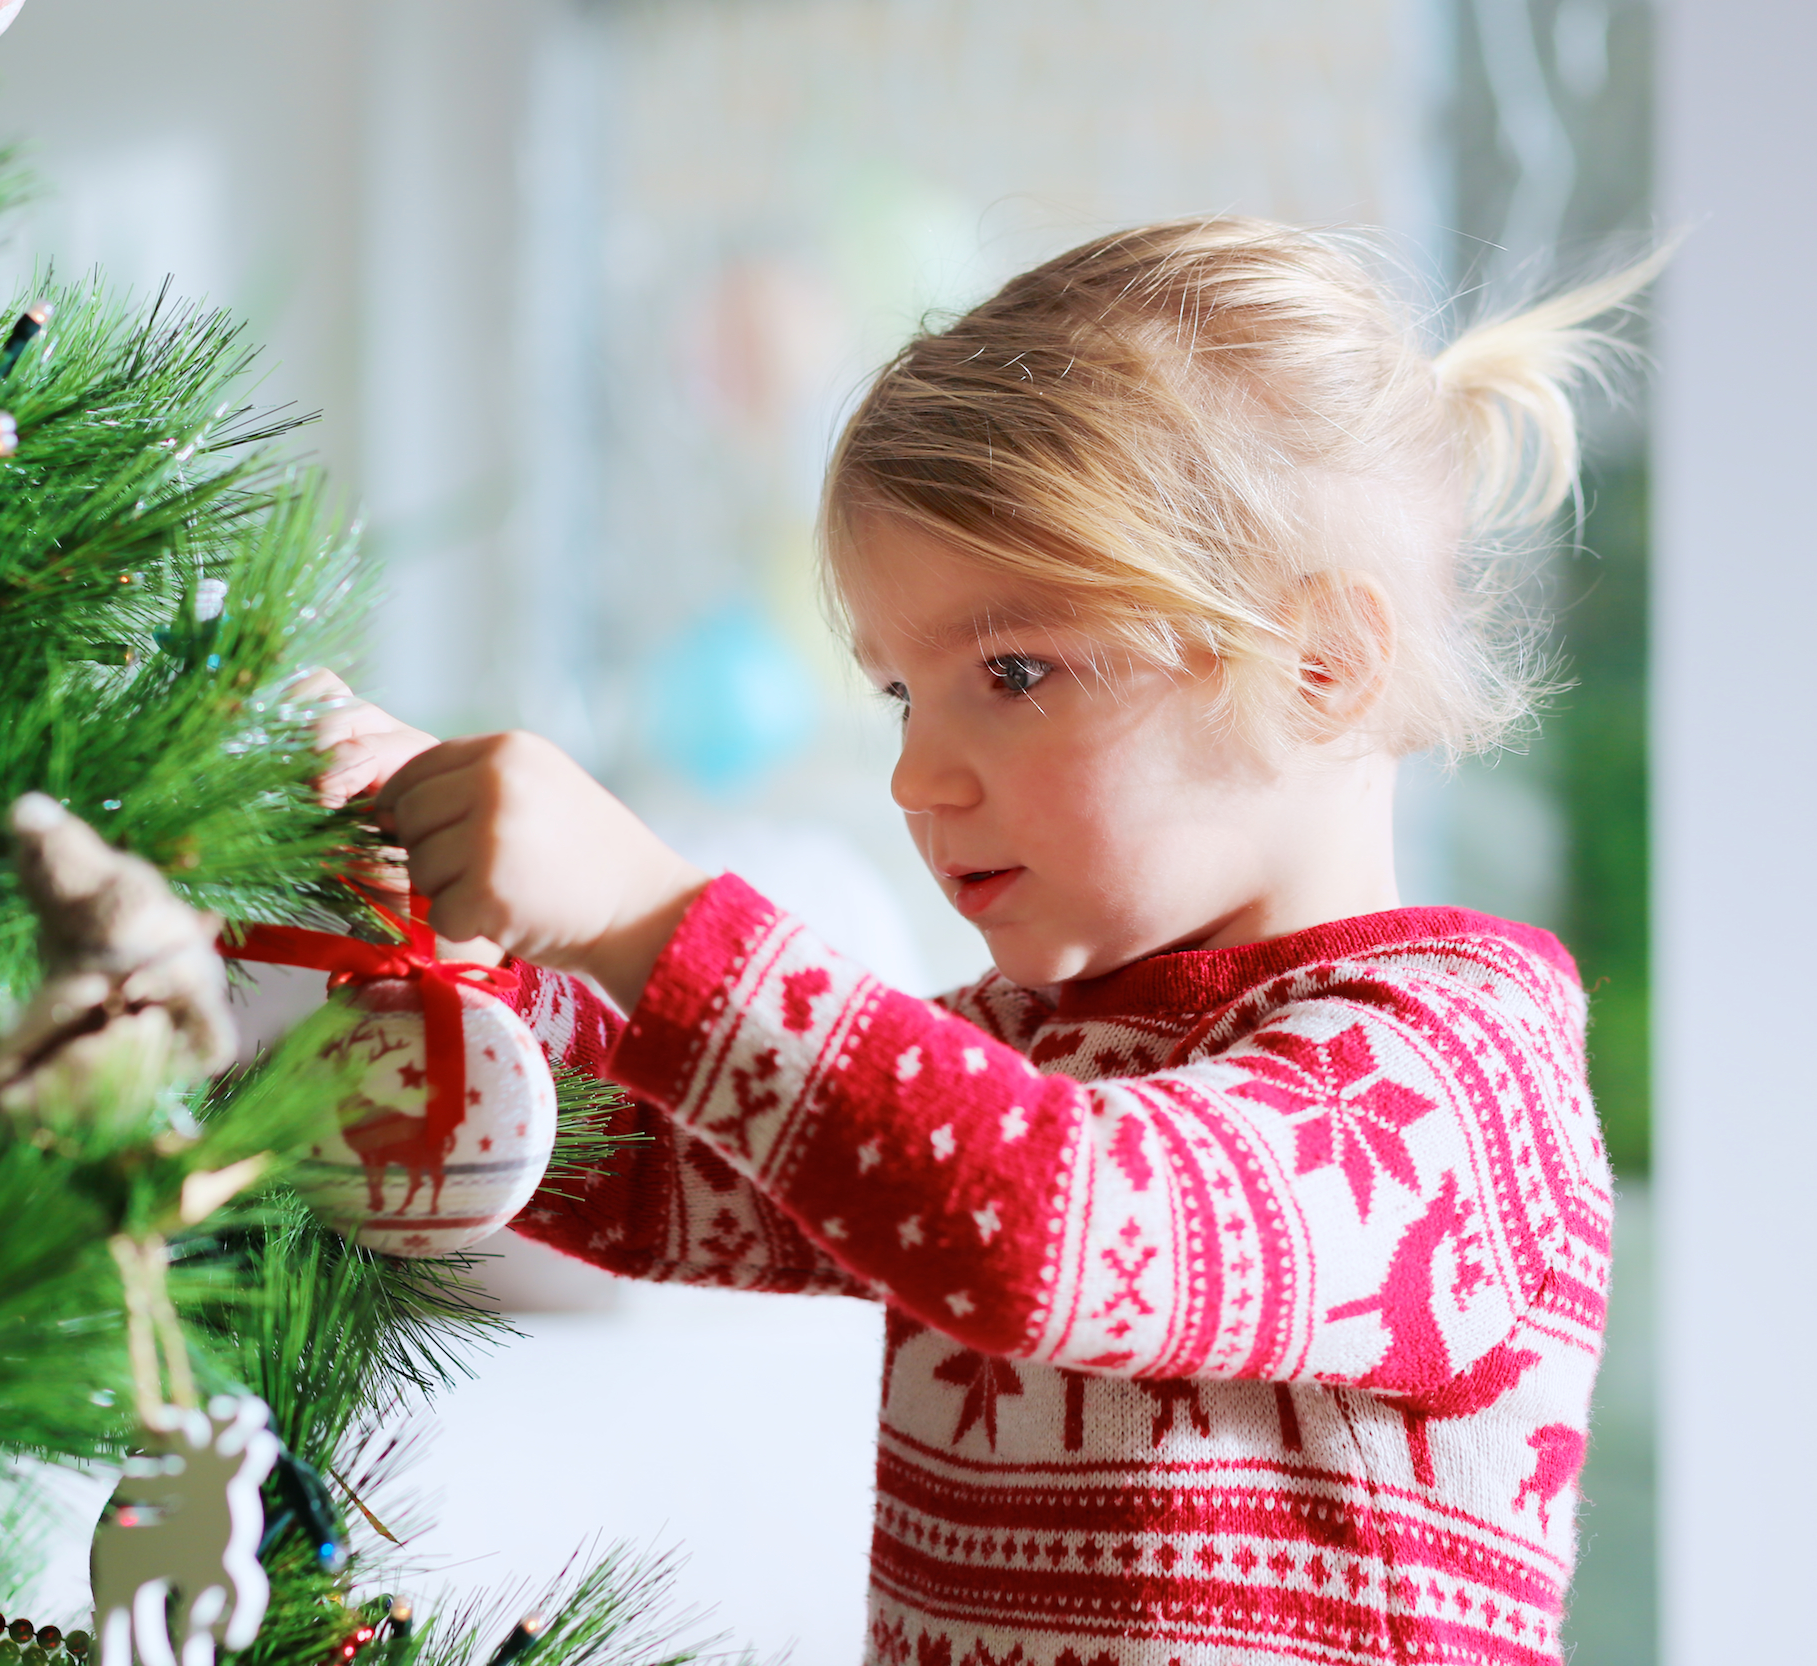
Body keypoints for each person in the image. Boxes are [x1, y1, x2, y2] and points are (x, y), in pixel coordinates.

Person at [309, 217, 1651, 1666]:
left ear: (1319, 664)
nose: (917, 777)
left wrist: (645, 917)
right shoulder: (1031, 1044)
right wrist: (396, 938)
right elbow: (632, 1168)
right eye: (901, 692)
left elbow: (1048, 1216)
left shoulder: (1454, 1073)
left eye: (1014, 671)